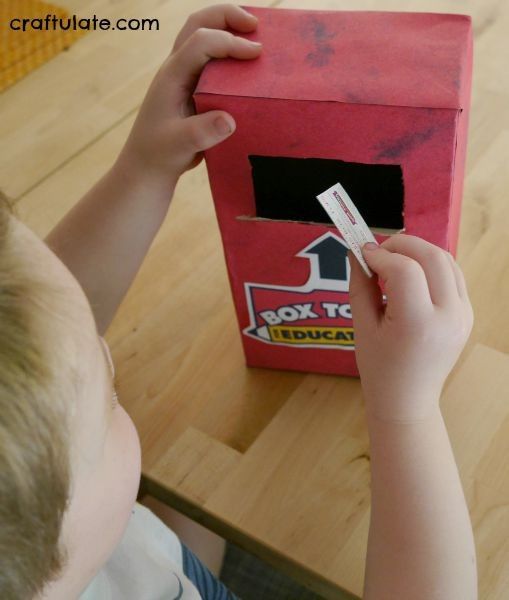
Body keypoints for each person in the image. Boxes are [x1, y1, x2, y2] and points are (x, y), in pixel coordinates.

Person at [0, 4, 477, 599]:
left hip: (145, 558)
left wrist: (144, 167)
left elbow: (40, 337)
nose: (109, 354)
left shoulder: (56, 541)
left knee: (192, 504)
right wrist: (406, 410)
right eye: (110, 399)